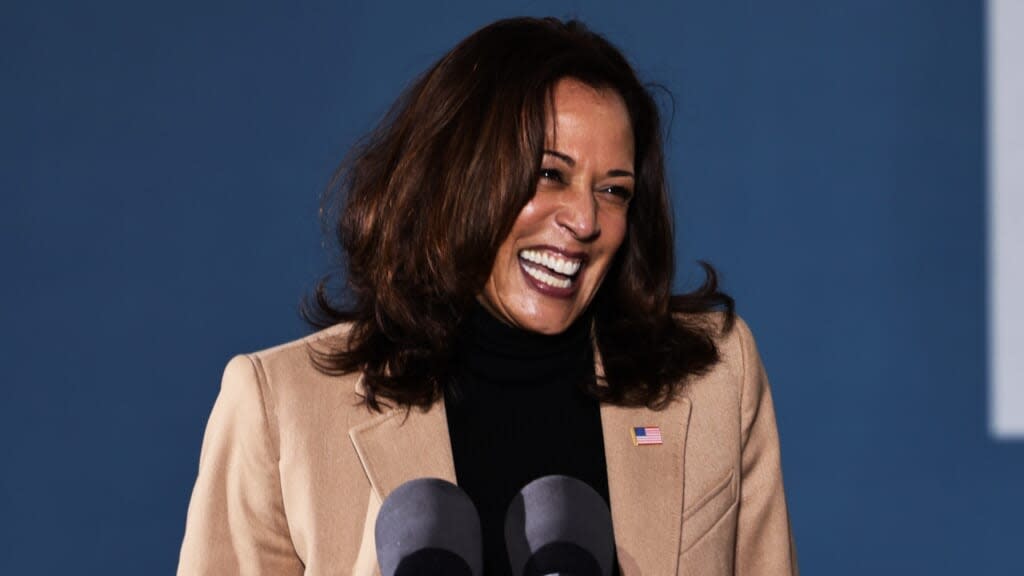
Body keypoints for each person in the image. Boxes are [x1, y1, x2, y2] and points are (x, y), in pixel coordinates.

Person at [177, 17, 797, 576]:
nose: (584, 219)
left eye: (614, 190)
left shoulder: (717, 376)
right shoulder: (281, 407)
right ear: (458, 177)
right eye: (550, 174)